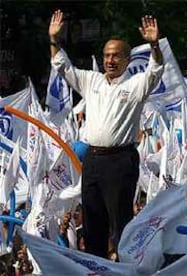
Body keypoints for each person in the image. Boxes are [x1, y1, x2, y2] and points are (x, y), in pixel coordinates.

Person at [48, 9, 164, 258]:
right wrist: (54, 40)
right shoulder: (91, 81)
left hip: (120, 161)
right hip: (93, 160)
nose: (110, 60)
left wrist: (154, 44)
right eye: (106, 55)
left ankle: (123, 267)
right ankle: (96, 267)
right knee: (92, 221)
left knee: (120, 223)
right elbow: (62, 65)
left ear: (127, 59)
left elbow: (155, 71)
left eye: (116, 56)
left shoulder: (136, 85)